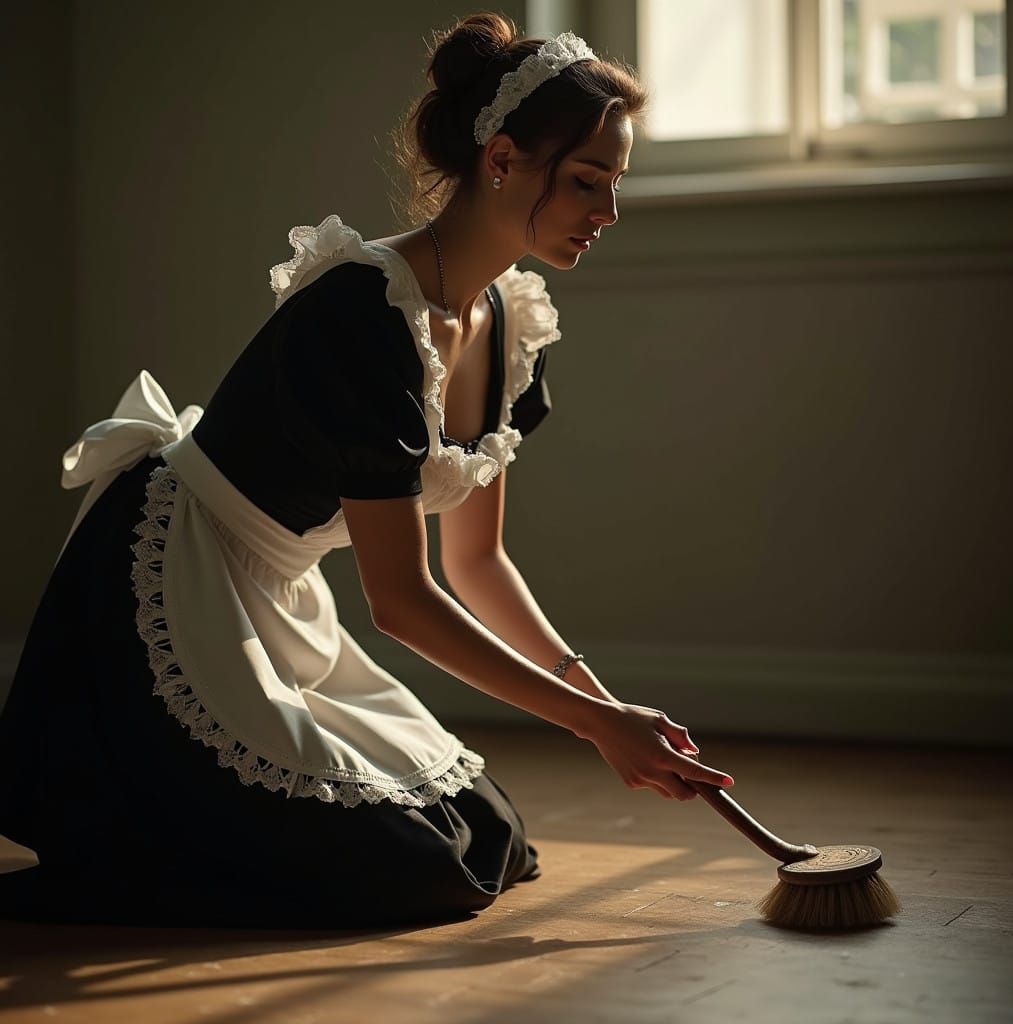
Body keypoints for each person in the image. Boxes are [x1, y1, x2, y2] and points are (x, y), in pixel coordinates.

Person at [0, 12, 735, 930]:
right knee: (397, 869)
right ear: (501, 158)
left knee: (485, 837)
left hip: (280, 594)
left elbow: (477, 564)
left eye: (616, 184)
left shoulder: (512, 324)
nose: (608, 213)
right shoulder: (362, 307)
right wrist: (596, 727)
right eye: (589, 181)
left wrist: (607, 707)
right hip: (167, 586)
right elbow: (402, 600)